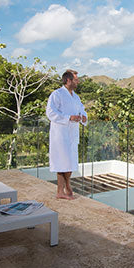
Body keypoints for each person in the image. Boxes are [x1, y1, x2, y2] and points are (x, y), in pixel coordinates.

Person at [46, 69, 87, 200]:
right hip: (60, 133)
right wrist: (69, 118)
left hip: (73, 133)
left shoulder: (76, 97)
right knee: (61, 161)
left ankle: (67, 186)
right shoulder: (56, 94)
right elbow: (51, 113)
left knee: (70, 161)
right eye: (76, 80)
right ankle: (61, 190)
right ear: (68, 80)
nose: (78, 82)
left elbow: (82, 110)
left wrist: (84, 117)